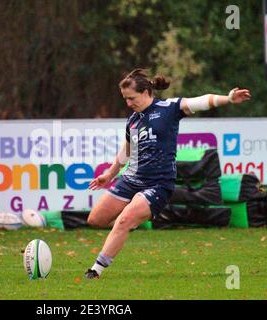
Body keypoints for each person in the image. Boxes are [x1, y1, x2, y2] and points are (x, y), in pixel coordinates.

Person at [84, 68, 251, 279]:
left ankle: (96, 270)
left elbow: (202, 101)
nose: (128, 103)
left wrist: (227, 98)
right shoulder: (133, 120)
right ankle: (129, 223)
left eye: (131, 98)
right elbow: (126, 151)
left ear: (146, 92)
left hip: (158, 184)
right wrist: (109, 174)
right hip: (131, 179)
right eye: (125, 99)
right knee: (96, 219)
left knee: (124, 220)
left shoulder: (169, 108)